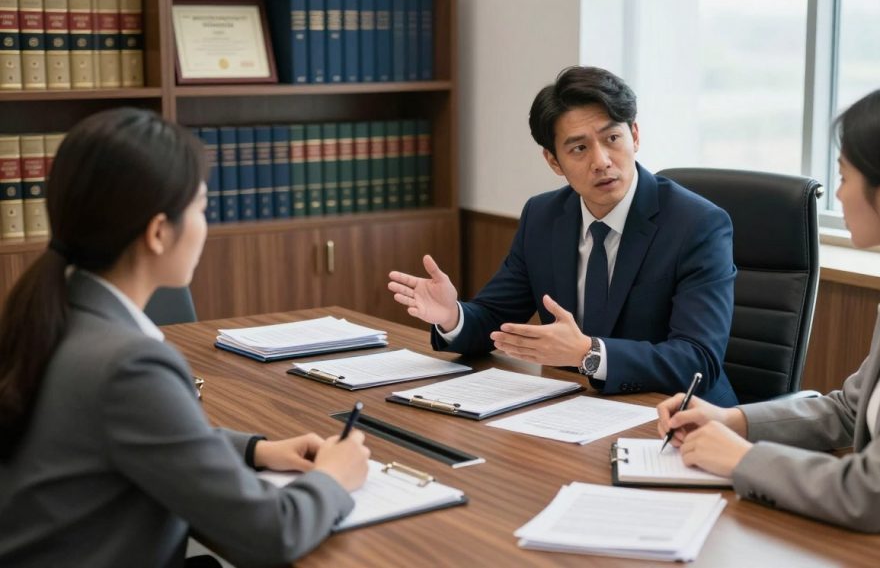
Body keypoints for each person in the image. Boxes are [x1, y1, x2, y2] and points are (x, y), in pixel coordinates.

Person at [0, 108, 371, 567]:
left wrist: (256, 450)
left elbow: (135, 434)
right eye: (199, 206)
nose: (205, 224)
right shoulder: (129, 364)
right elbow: (272, 532)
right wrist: (335, 478)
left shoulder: (52, 315)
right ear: (158, 232)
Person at [657, 79, 880, 531]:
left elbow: (876, 492)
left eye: (846, 177)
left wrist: (744, 460)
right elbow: (849, 411)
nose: (838, 193)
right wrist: (732, 421)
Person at [388, 66, 738, 405]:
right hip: (574, 409)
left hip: (680, 419)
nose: (601, 161)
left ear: (634, 135)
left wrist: (588, 353)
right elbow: (497, 319)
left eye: (612, 138)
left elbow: (698, 361)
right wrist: (452, 316)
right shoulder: (543, 217)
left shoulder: (697, 225)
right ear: (554, 161)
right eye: (579, 148)